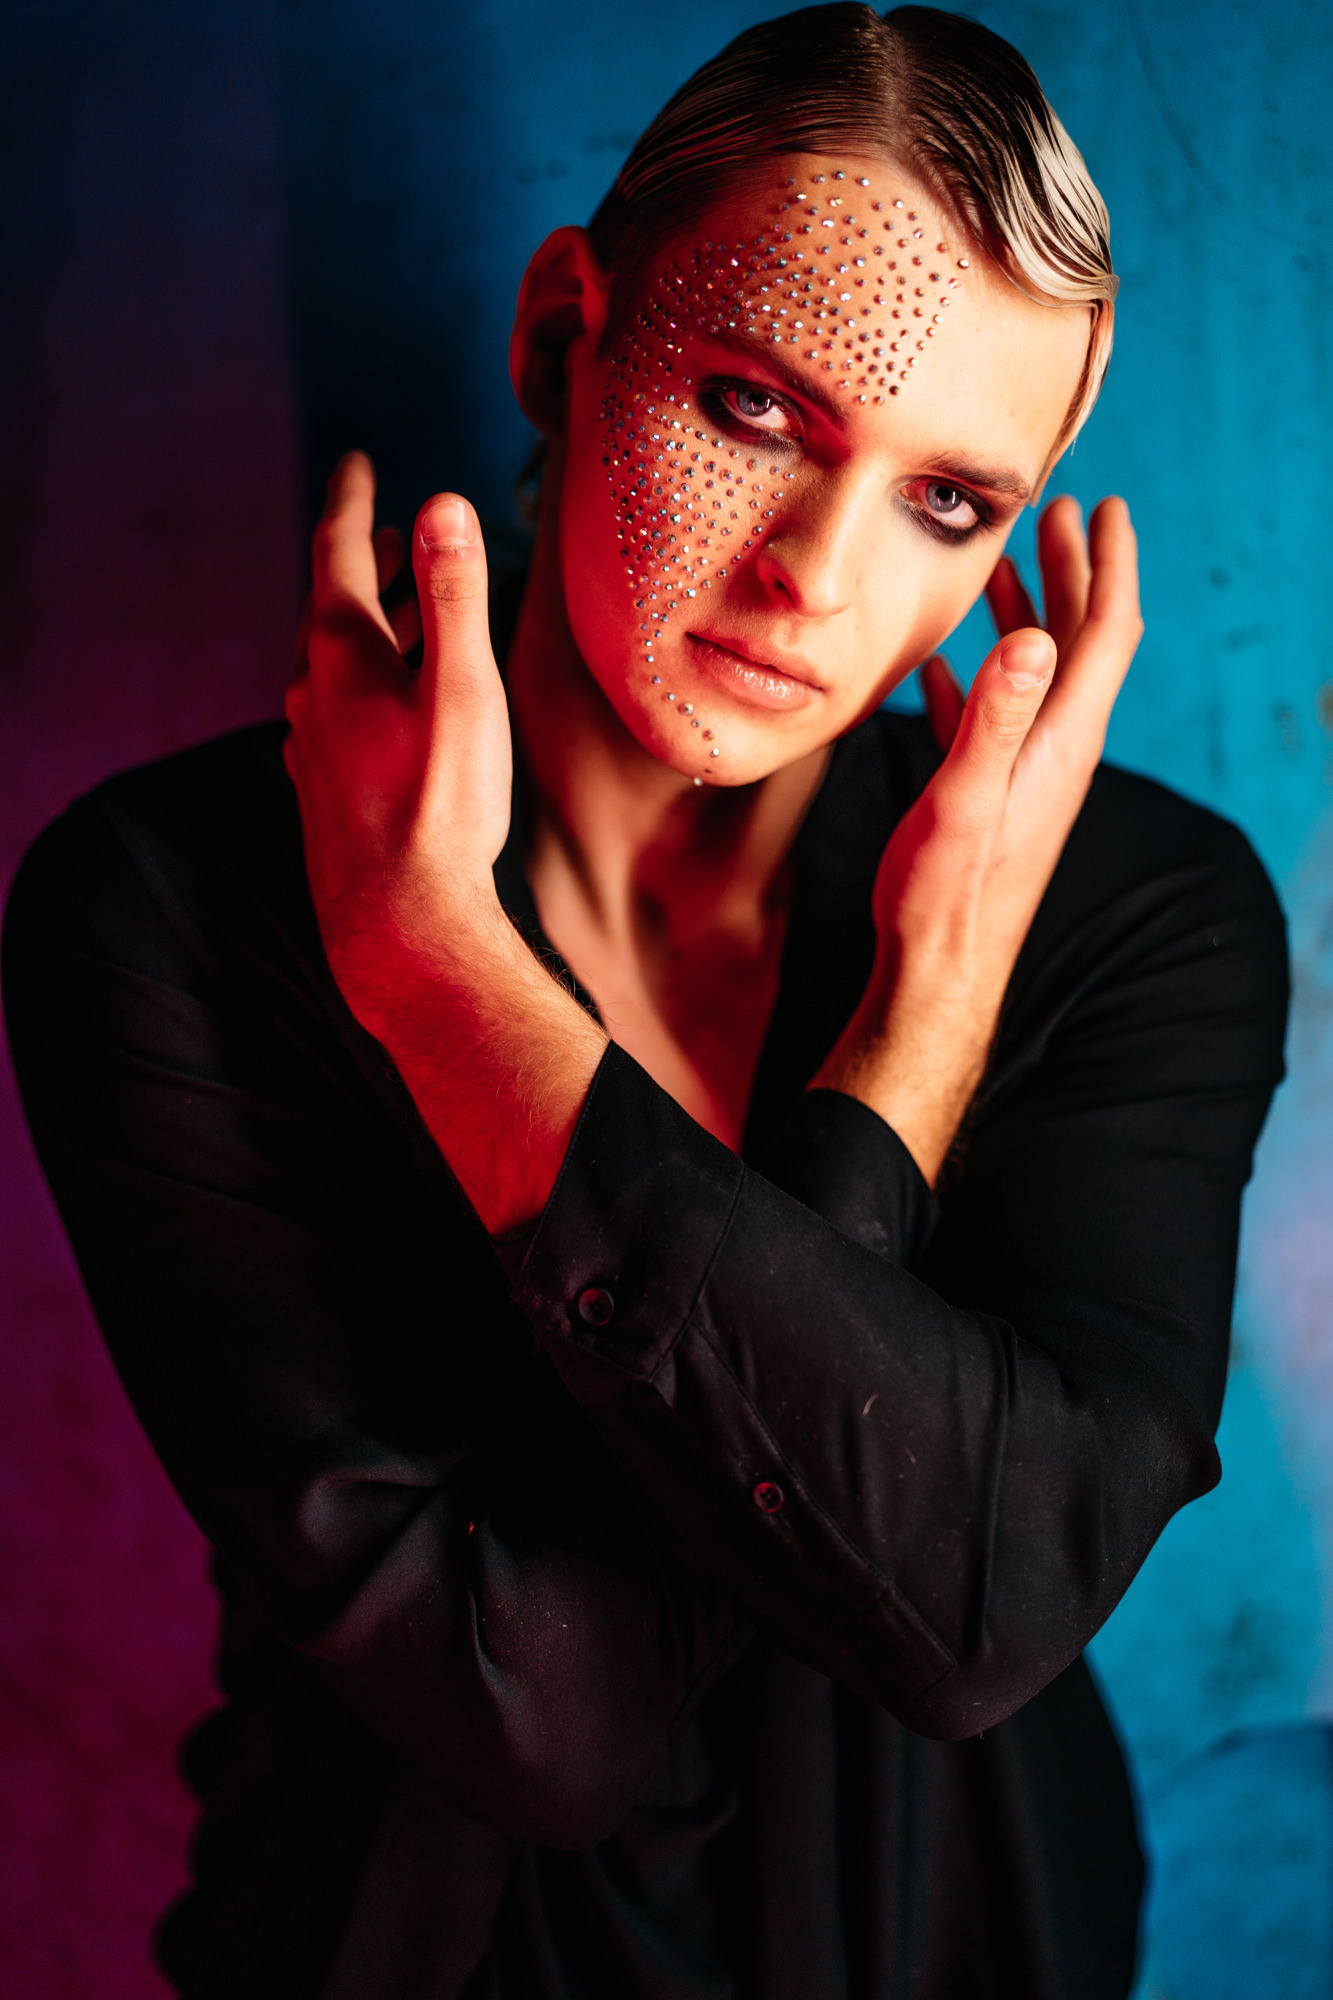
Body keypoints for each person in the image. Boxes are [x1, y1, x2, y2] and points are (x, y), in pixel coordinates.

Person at [3, 5, 1288, 1996]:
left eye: (947, 501)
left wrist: (928, 1012)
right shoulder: (172, 900)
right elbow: (542, 1720)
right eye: (757, 408)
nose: (815, 575)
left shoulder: (1127, 913)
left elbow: (980, 1609)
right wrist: (442, 974)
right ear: (559, 340)